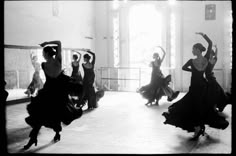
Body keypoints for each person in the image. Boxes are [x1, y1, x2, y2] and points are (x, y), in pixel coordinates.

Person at [162, 33, 229, 140]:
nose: (192, 51)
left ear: (198, 49)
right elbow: (210, 44)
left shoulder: (194, 60)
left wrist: (204, 35)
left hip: (198, 87)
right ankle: (199, 126)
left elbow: (184, 68)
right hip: (197, 86)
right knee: (194, 106)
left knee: (196, 107)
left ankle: (198, 127)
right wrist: (204, 36)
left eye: (194, 49)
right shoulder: (202, 59)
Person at [24, 40, 83, 150]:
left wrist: (47, 44)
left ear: (46, 54)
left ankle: (54, 133)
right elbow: (59, 43)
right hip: (54, 93)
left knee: (50, 115)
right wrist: (47, 43)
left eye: (43, 53)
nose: (42, 55)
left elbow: (59, 44)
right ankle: (33, 138)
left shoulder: (45, 64)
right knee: (41, 116)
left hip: (52, 93)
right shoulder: (58, 61)